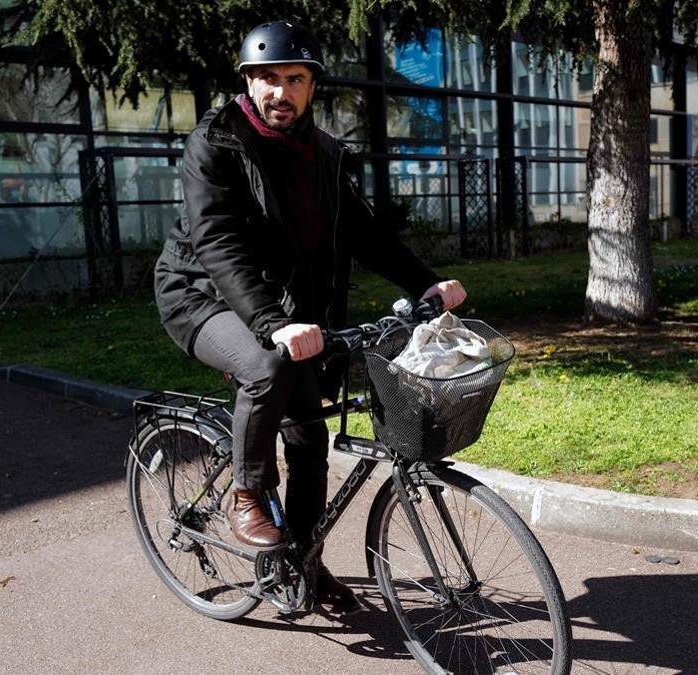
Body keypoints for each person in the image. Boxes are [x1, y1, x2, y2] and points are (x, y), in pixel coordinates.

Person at [153, 21, 465, 612]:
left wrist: (426, 283)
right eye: (267, 78)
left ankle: (303, 567)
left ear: (311, 86)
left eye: (294, 79)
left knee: (310, 438)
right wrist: (273, 323)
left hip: (285, 308)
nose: (280, 91)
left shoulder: (322, 153)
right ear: (248, 81)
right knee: (266, 367)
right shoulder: (215, 143)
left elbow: (365, 234)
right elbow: (218, 244)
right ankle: (245, 494)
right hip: (201, 295)